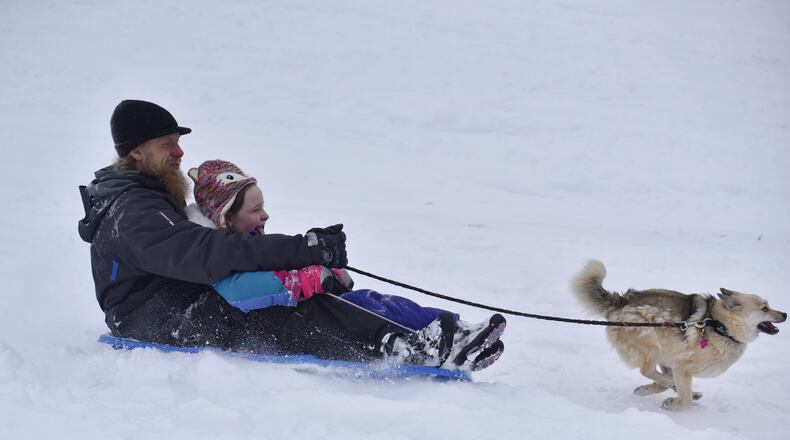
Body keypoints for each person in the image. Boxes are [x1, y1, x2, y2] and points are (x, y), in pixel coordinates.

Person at [77, 99, 504, 371]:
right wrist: (301, 250)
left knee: (304, 294)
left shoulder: (147, 195)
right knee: (278, 306)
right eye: (167, 143)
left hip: (181, 298)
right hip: (153, 319)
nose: (180, 151)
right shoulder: (131, 211)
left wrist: (304, 258)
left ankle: (448, 332)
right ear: (136, 151)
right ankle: (403, 348)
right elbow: (206, 252)